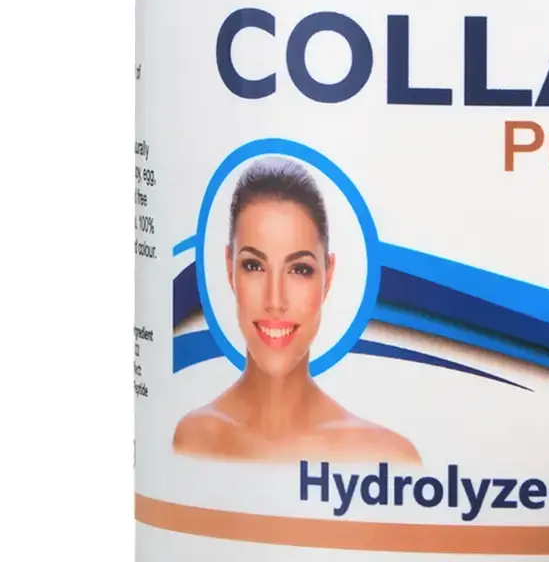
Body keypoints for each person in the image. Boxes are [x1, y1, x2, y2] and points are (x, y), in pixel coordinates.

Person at [173, 159, 418, 462]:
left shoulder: (387, 456)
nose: (275, 300)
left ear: (328, 275)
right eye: (254, 266)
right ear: (229, 268)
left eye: (299, 269)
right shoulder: (193, 438)